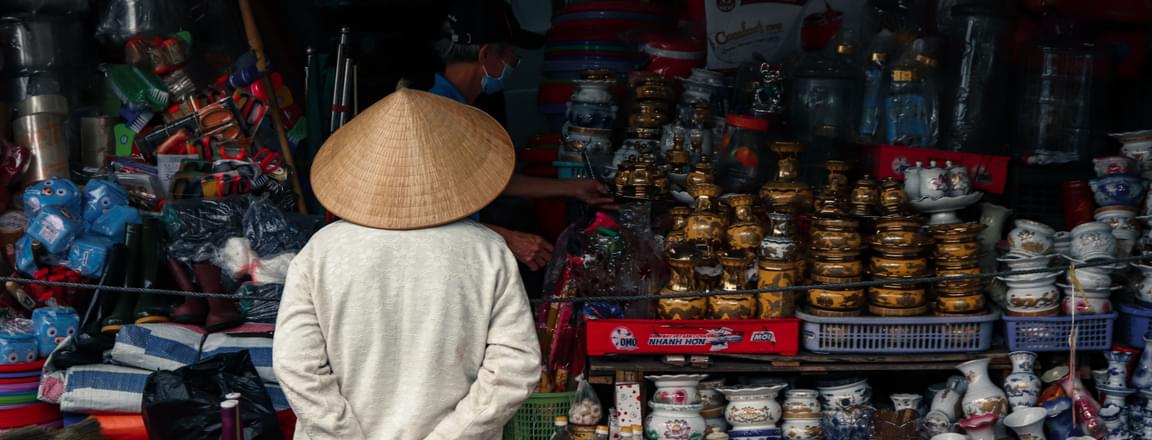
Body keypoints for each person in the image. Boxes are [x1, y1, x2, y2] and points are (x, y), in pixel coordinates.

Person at [273, 89, 541, 439]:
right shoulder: (486, 251)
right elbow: (514, 367)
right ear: (452, 169)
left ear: (363, 170)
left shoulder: (322, 251)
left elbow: (296, 365)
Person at [429, 0, 614, 270]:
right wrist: (507, 239)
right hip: (442, 259)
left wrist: (573, 188)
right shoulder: (435, 116)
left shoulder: (462, 110)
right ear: (486, 55)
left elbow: (488, 181)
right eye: (510, 53)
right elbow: (425, 216)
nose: (514, 61)